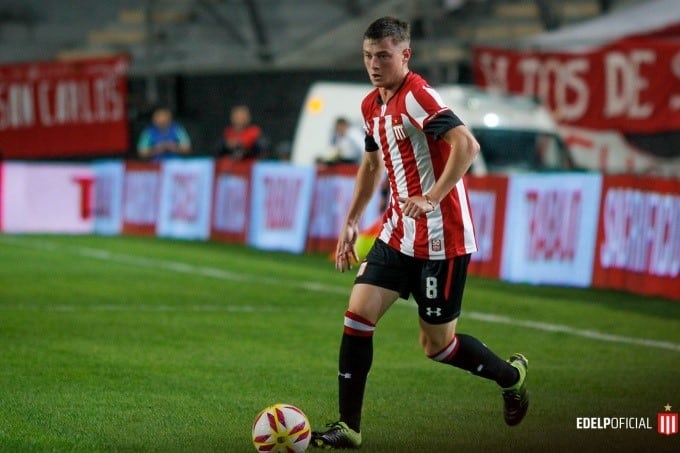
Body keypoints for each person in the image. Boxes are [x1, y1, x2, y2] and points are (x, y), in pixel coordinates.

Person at [311, 16, 529, 449]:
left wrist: (431, 196)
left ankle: (511, 376)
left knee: (437, 348)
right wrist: (352, 220)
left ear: (405, 55)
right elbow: (372, 165)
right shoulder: (371, 105)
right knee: (357, 317)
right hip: (397, 232)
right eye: (368, 56)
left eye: (384, 56)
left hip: (441, 239)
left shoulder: (418, 96)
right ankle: (349, 427)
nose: (374, 65)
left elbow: (467, 145)